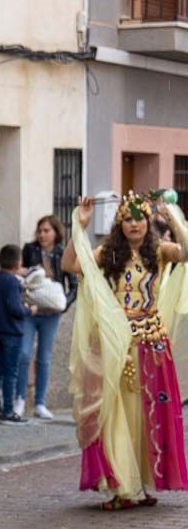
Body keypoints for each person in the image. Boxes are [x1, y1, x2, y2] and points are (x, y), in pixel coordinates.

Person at [61, 192, 188, 509]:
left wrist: (171, 215)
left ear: (149, 222)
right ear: (120, 223)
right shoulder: (108, 253)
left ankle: (141, 484)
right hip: (114, 345)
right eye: (128, 219)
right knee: (114, 414)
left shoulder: (160, 251)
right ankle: (122, 487)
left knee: (146, 415)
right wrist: (80, 226)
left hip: (151, 344)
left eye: (140, 218)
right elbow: (69, 264)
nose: (134, 224)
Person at [17, 215, 75, 419]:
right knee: (24, 354)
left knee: (44, 357)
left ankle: (40, 403)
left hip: (51, 313)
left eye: (46, 231)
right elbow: (19, 274)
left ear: (56, 233)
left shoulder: (62, 252)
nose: (42, 234)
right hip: (31, 311)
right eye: (40, 230)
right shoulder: (29, 249)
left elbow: (74, 285)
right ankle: (20, 399)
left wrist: (63, 305)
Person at [0, 245, 35, 424]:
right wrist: (28, 309)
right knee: (10, 372)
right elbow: (15, 308)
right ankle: (8, 410)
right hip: (12, 333)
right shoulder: (12, 282)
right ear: (17, 261)